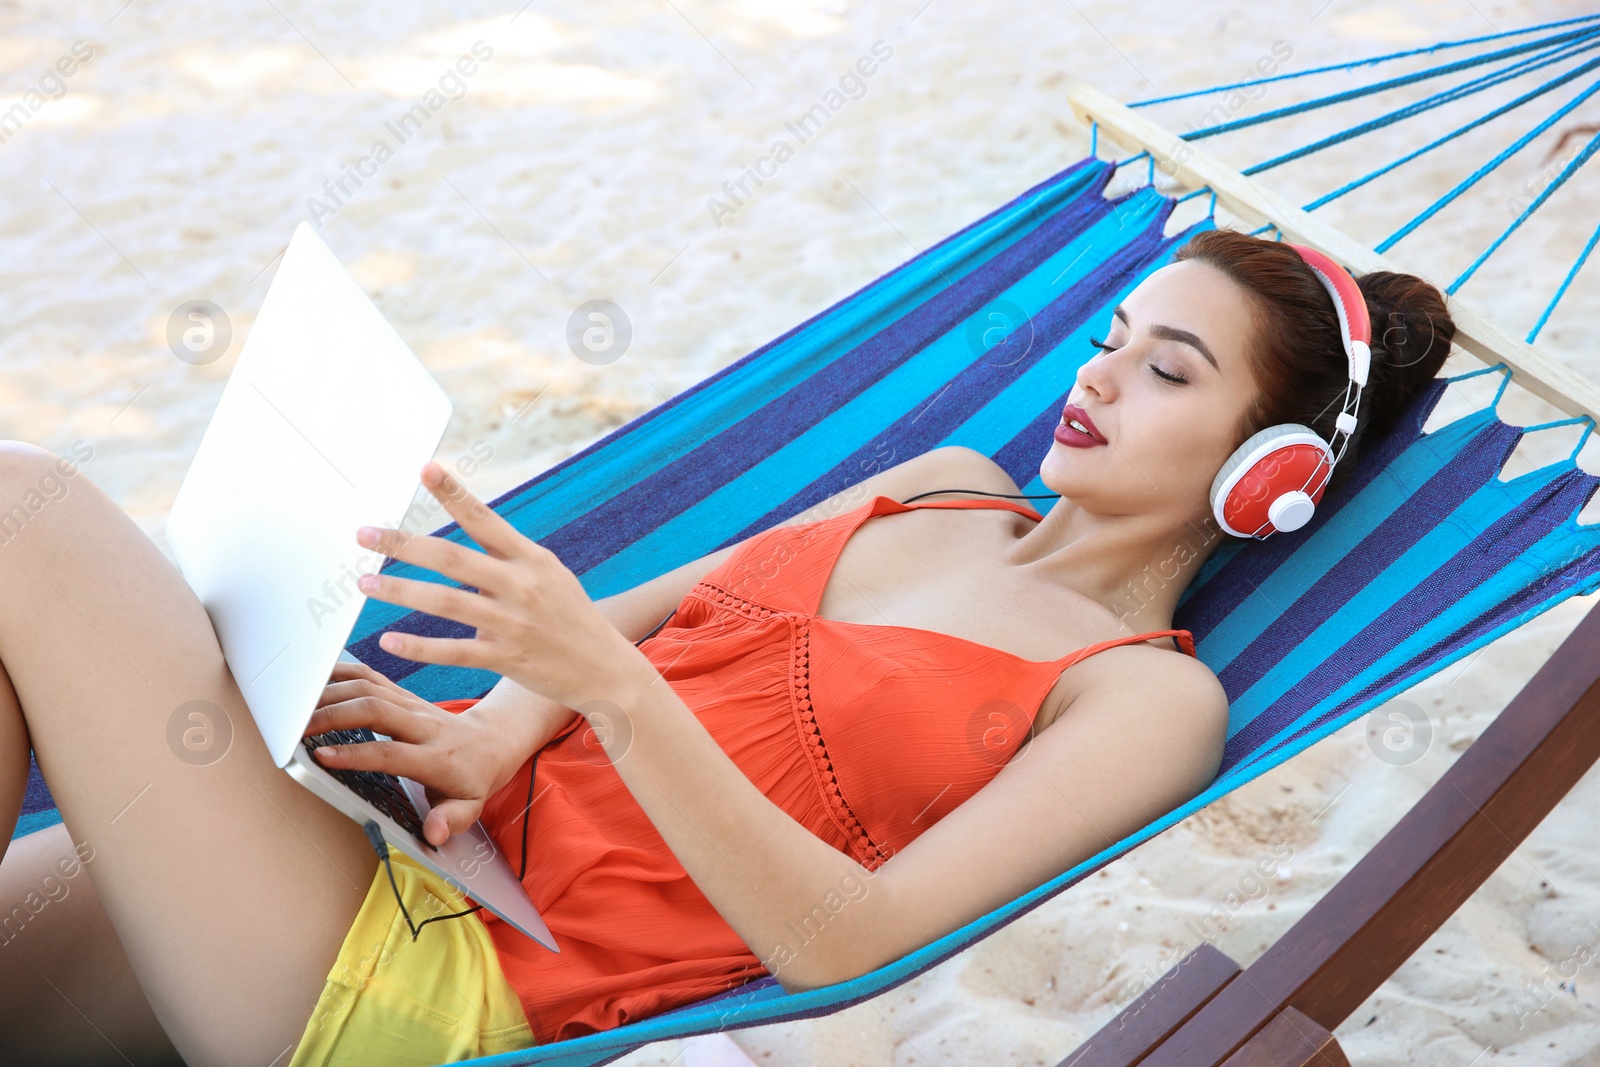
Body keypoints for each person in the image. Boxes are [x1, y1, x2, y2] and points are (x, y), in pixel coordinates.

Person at [0, 227, 1455, 1065]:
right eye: (1117, 335)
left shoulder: (1142, 697)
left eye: (1169, 370)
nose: (1102, 372)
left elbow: (853, 945)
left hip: (449, 994)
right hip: (398, 856)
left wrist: (613, 696)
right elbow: (620, 625)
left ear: (1272, 470)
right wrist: (484, 730)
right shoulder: (943, 484)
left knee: (30, 515)